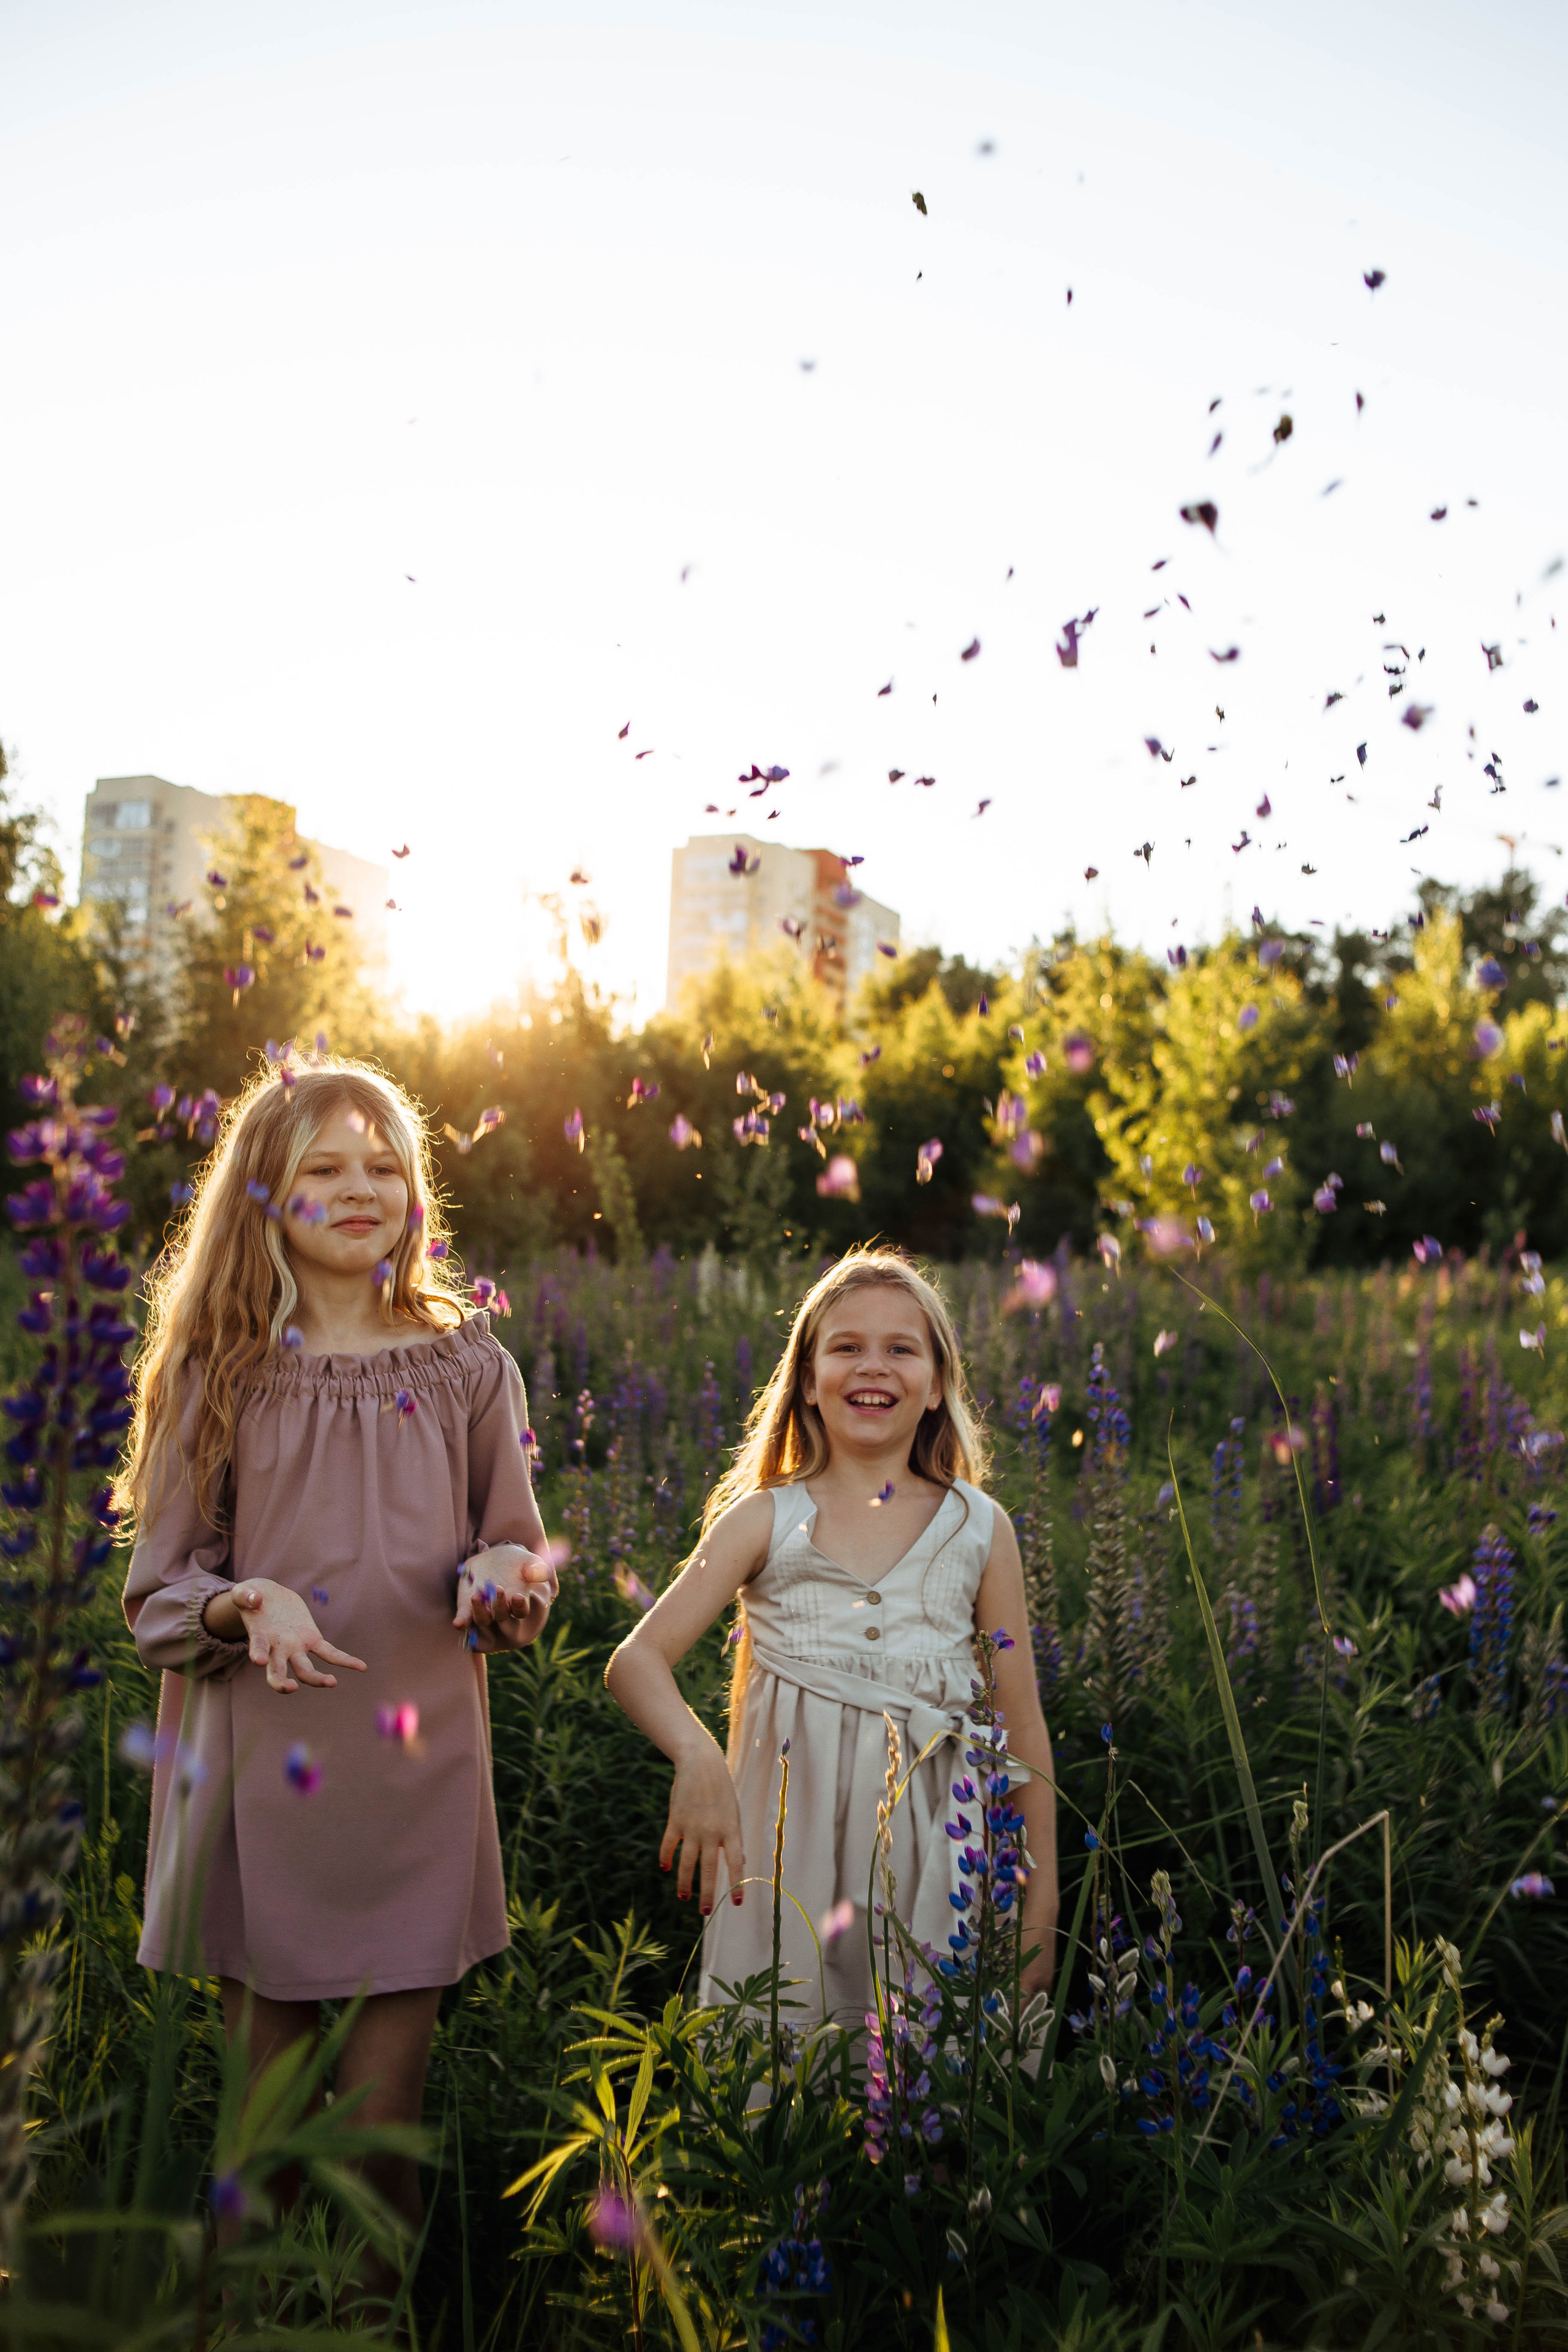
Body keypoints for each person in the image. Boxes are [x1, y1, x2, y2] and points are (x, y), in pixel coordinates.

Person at [121, 1058, 555, 2244]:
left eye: (384, 1165)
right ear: (263, 1195)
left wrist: (499, 1586)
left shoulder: (470, 1365)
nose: (361, 1187)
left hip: (410, 1787)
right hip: (260, 1788)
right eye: (323, 1167)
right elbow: (157, 1597)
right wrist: (244, 1601)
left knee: (377, 2158)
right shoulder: (223, 1374)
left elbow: (513, 1555)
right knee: (256, 2162)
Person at [606, 1245, 1058, 2030]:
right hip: (786, 1864)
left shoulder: (979, 1529)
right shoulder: (765, 1519)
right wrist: (697, 1756)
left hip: (939, 1858)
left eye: (900, 1349)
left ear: (938, 1385)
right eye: (845, 1347)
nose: (871, 1367)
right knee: (783, 2066)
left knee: (931, 2078)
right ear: (808, 1383)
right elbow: (636, 1660)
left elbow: (1023, 1727)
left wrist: (1040, 1903)